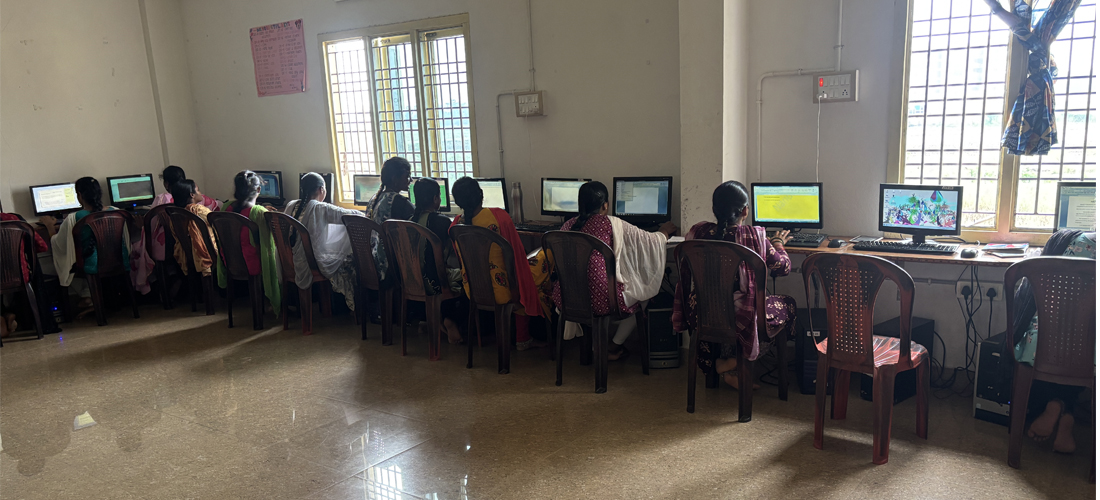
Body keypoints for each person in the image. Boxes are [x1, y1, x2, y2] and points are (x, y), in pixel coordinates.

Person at [672, 180, 795, 390]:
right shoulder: (754, 237)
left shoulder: (698, 232)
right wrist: (778, 243)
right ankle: (735, 361)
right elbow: (783, 267)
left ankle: (728, 369)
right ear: (745, 210)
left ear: (714, 209)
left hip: (701, 312)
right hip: (740, 317)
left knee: (731, 304)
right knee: (786, 305)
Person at [552, 181, 676, 361]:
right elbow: (650, 241)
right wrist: (664, 231)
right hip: (601, 302)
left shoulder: (566, 226)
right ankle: (613, 344)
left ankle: (596, 344)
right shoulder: (611, 223)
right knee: (644, 294)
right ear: (605, 205)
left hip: (567, 299)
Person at [1010, 229, 1095, 454]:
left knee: (1052, 345)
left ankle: (1056, 407)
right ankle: (1065, 412)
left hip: (1040, 344)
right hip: (1088, 352)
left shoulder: (1066, 241)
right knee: (1082, 344)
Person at [449, 176, 551, 350]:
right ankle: (523, 338)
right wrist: (517, 289)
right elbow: (517, 256)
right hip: (502, 290)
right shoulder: (499, 217)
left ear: (457, 201)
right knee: (541, 263)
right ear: (481, 194)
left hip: (472, 290)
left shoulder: (455, 226)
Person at [40, 177, 131, 319]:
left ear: (79, 195)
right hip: (119, 260)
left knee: (68, 264)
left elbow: (59, 245)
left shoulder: (73, 218)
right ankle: (91, 298)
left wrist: (49, 226)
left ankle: (89, 298)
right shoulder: (117, 212)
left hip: (91, 264)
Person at [285, 172, 364, 310]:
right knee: (351, 261)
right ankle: (356, 309)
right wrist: (368, 213)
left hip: (288, 260)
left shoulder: (291, 205)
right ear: (322, 189)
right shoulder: (319, 208)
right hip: (309, 263)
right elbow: (352, 216)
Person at [215, 171, 282, 317]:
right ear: (258, 189)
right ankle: (277, 302)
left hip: (230, 261)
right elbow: (268, 245)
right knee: (280, 254)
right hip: (251, 264)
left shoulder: (226, 207)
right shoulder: (258, 212)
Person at [409, 178, 465, 344]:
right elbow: (454, 251)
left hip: (411, 281)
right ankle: (450, 320)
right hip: (434, 283)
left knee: (434, 270)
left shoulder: (408, 221)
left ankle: (425, 319)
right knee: (464, 276)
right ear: (435, 199)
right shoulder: (442, 222)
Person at [150, 165, 220, 262]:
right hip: (200, 246)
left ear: (166, 184)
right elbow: (218, 209)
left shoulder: (162, 199)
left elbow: (151, 225)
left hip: (173, 247)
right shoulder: (198, 200)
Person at [0, 200, 48, 337]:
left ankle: (4, 316)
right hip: (20, 274)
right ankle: (8, 316)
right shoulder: (15, 220)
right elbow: (42, 246)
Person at [364, 157, 415, 280]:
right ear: (395, 178)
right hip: (390, 266)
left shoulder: (374, 199)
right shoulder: (400, 202)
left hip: (372, 263)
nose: (410, 180)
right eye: (407, 176)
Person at [169, 180, 219, 277]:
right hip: (206, 253)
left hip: (186, 254)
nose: (200, 193)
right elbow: (217, 223)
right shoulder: (199, 210)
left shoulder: (175, 214)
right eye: (198, 190)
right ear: (192, 195)